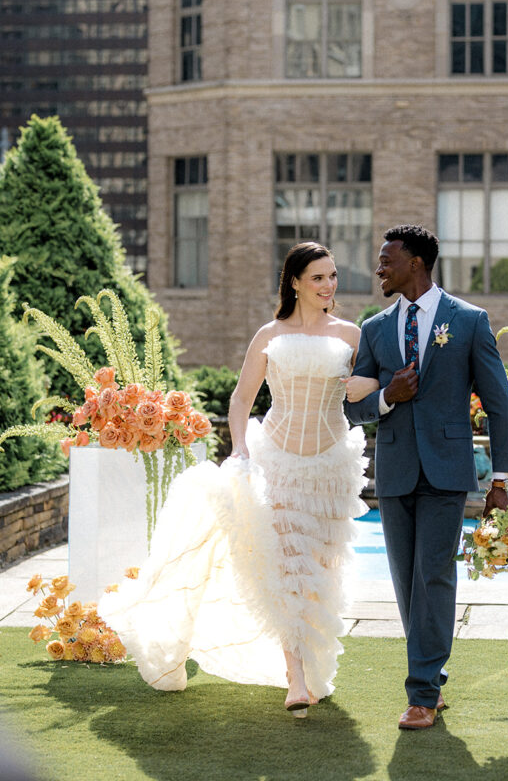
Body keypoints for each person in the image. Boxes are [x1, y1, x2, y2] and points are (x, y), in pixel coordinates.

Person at [100, 242, 376, 718]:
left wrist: (367, 384)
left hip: (332, 465)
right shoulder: (269, 334)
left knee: (321, 572)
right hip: (279, 461)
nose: (329, 286)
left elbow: (377, 383)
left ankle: (312, 665)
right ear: (294, 282)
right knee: (288, 568)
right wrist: (243, 448)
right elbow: (239, 400)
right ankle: (295, 677)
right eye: (318, 278)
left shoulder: (352, 335)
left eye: (333, 276)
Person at [345, 225, 508, 730]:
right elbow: (351, 410)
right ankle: (432, 676)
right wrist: (385, 397)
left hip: (446, 474)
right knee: (405, 583)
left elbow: (500, 405)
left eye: (386, 260)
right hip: (395, 472)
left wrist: (500, 480)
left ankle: (421, 693)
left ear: (416, 263)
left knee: (433, 575)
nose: (379, 269)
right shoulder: (374, 329)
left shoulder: (468, 321)